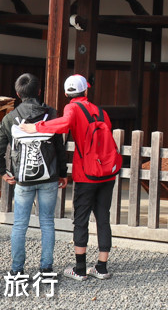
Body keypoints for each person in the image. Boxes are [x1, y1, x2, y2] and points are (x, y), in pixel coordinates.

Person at [20, 74, 116, 281]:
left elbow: (64, 124)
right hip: (107, 173)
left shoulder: (72, 108)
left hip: (86, 174)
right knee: (103, 218)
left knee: (81, 219)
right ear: (86, 91)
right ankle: (102, 267)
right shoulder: (101, 112)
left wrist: (34, 127)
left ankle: (80, 269)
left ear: (66, 93)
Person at [0, 73, 67, 276]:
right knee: (47, 222)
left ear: (17, 94)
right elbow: (59, 147)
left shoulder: (10, 118)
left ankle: (17, 270)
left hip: (22, 179)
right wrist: (62, 173)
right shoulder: (51, 114)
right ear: (39, 91)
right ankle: (46, 267)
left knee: (19, 225)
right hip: (49, 176)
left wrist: (2, 172)